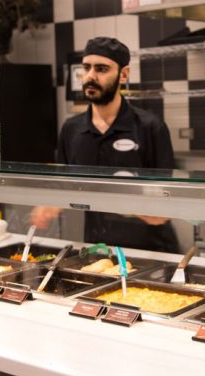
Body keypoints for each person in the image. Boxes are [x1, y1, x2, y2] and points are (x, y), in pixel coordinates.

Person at [31, 36, 179, 253]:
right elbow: (64, 185)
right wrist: (50, 204)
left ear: (123, 74)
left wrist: (137, 207)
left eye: (101, 69)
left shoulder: (150, 127)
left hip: (152, 251)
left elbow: (166, 201)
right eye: (86, 68)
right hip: (98, 249)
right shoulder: (71, 129)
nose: (90, 76)